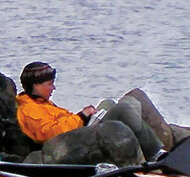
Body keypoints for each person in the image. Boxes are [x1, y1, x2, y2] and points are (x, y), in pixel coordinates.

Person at [15, 62, 163, 157]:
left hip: (73, 135)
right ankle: (155, 153)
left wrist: (86, 116)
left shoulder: (41, 103)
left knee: (108, 104)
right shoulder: (30, 109)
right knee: (123, 110)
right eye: (50, 84)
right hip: (66, 146)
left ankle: (138, 147)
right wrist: (82, 117)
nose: (53, 88)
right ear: (35, 85)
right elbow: (50, 133)